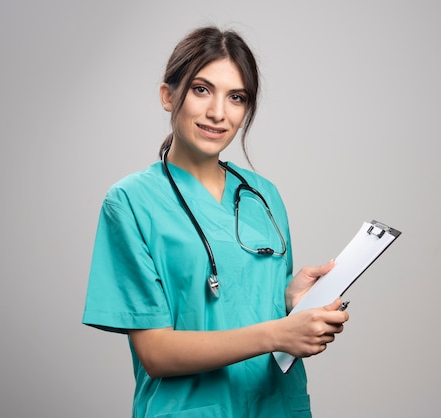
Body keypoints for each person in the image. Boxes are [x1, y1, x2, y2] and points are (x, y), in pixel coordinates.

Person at [82, 26, 349, 418]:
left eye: (236, 98)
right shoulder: (129, 203)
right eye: (201, 89)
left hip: (276, 406)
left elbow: (250, 302)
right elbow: (155, 353)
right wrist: (278, 334)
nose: (218, 113)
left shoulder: (263, 195)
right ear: (168, 96)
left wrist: (293, 300)